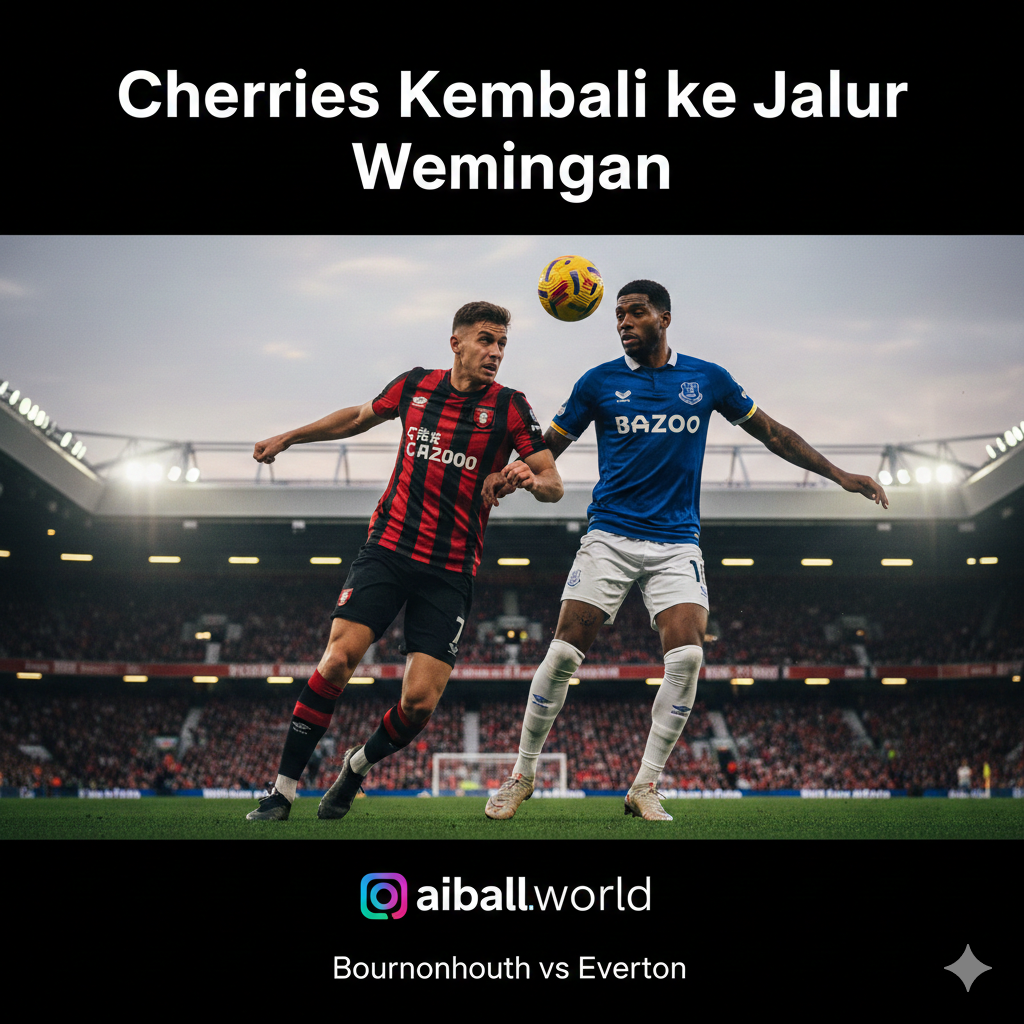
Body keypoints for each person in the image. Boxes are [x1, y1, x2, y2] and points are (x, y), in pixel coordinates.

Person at [485, 279, 889, 822]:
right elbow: (548, 447)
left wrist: (838, 474)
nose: (624, 322)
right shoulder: (598, 382)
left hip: (677, 540)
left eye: (635, 313)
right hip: (610, 533)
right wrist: (517, 468)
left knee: (690, 656)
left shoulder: (707, 378)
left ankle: (645, 786)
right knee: (561, 653)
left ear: (665, 318)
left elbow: (771, 433)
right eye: (618, 316)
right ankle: (521, 776)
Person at [246, 301, 563, 821]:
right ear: (456, 342)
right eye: (486, 340)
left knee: (418, 705)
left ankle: (356, 767)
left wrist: (526, 478)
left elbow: (553, 483)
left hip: (450, 569)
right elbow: (357, 416)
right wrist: (290, 435)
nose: (496, 352)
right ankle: (281, 793)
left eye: (503, 344)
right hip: (389, 549)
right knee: (336, 661)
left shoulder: (509, 407)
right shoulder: (415, 386)